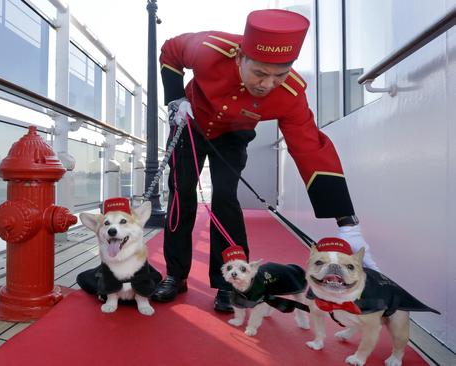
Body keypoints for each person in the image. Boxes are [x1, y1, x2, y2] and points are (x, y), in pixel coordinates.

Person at [150, 9, 378, 312]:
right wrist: (175, 98)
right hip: (189, 122)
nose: (268, 84)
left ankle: (228, 283)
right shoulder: (209, 48)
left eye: (279, 75)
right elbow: (170, 51)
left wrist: (346, 222)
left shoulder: (291, 94)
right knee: (182, 194)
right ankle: (175, 275)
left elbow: (311, 149)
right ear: (240, 57)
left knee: (225, 197)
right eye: (260, 73)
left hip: (234, 135)